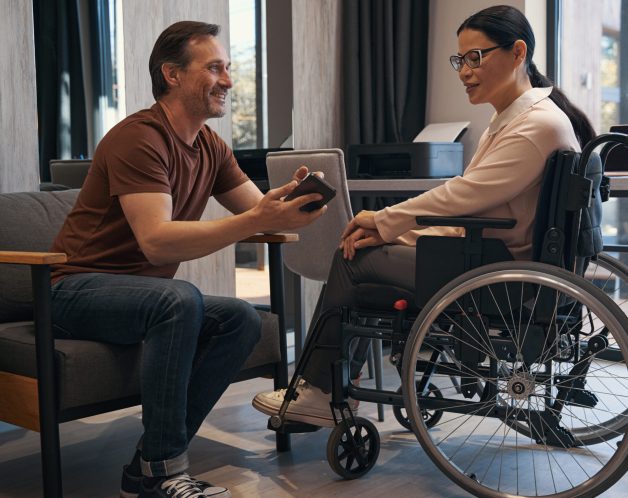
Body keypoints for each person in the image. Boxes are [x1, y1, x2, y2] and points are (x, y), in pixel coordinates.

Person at [253, 4, 595, 427]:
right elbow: (477, 205)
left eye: (476, 57)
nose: (465, 70)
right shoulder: (516, 119)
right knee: (367, 248)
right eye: (460, 60)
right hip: (492, 259)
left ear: (518, 52)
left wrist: (385, 221)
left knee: (353, 259)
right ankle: (331, 385)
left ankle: (321, 391)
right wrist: (397, 233)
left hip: (497, 273)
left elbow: (466, 195)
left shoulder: (535, 124)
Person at [50, 21, 325, 498]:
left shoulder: (211, 145)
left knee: (241, 318)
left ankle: (148, 463)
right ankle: (162, 472)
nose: (228, 80)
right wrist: (257, 217)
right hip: (75, 288)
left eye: (228, 68)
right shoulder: (139, 138)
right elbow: (156, 242)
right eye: (214, 68)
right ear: (172, 74)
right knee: (178, 300)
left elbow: (256, 214)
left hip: (141, 296)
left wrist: (284, 205)